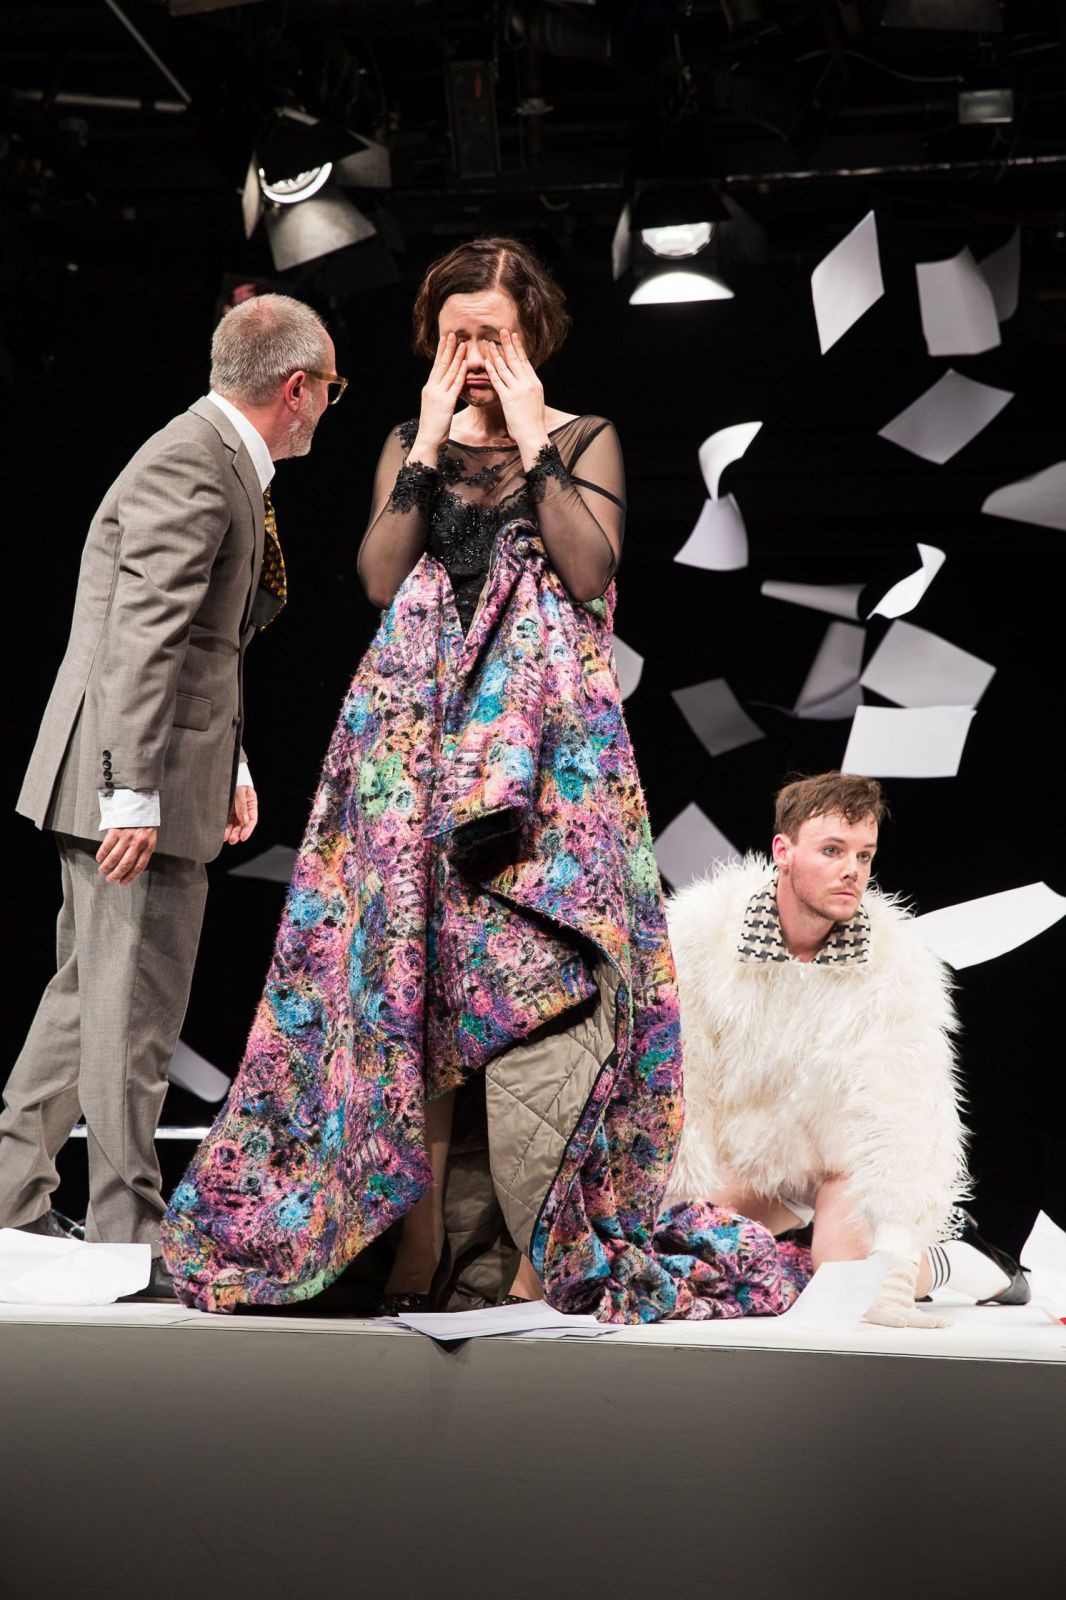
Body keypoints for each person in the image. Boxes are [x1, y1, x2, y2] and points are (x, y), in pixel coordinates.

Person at [161, 239, 809, 1324]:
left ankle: (533, 1250)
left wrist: (532, 435)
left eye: (494, 336)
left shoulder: (582, 438)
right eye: (457, 335)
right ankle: (414, 1243)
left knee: (536, 991)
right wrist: (426, 439)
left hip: (544, 771)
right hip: (411, 753)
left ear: (531, 340)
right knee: (408, 992)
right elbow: (380, 577)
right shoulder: (405, 441)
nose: (473, 354)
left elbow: (589, 567)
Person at [2, 293, 342, 1297]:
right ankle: (127, 1236)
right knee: (133, 1012)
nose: (330, 406)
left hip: (151, 772)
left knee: (86, 1001)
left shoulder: (221, 460)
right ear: (297, 389)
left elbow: (203, 645)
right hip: (125, 783)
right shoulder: (193, 462)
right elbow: (139, 642)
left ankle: (11, 1203)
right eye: (331, 389)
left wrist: (228, 765)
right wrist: (131, 796)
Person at [664, 771, 1029, 1328]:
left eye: (864, 855)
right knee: (688, 1246)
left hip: (842, 1159)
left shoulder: (895, 963)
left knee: (849, 1283)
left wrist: (896, 1251)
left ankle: (958, 1261)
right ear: (783, 851)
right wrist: (678, 1195)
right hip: (756, 1151)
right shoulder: (702, 935)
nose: (851, 870)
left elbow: (906, 1109)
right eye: (832, 850)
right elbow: (682, 1072)